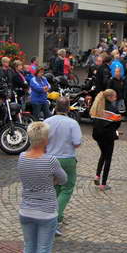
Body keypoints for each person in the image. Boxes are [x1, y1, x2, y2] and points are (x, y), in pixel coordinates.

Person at [18, 121, 67, 253]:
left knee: (29, 247)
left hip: (26, 209)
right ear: (45, 140)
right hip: (46, 211)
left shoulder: (22, 157)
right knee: (43, 251)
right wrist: (51, 180)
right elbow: (64, 179)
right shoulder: (51, 160)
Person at [44, 97, 82, 235]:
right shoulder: (72, 123)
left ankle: (57, 217)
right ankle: (55, 217)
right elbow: (77, 143)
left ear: (55, 107)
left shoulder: (47, 121)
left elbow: (42, 141)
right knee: (67, 188)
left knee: (54, 187)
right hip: (66, 158)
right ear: (68, 108)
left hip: (49, 158)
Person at [91, 89, 122, 191]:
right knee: (108, 158)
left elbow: (93, 120)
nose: (116, 98)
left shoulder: (96, 107)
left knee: (103, 154)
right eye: (114, 96)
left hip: (97, 135)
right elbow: (118, 123)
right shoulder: (114, 110)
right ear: (110, 97)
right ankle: (103, 184)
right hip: (108, 136)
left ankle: (97, 175)